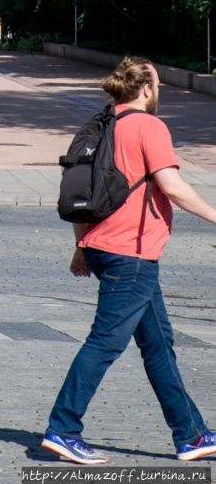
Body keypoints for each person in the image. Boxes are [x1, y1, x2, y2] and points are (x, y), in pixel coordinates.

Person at [41, 58, 216, 466]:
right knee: (105, 342)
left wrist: (83, 244)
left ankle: (191, 435)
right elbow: (172, 187)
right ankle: (63, 429)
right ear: (149, 89)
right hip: (131, 255)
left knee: (158, 345)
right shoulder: (149, 127)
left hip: (105, 247)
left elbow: (80, 191)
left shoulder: (100, 125)